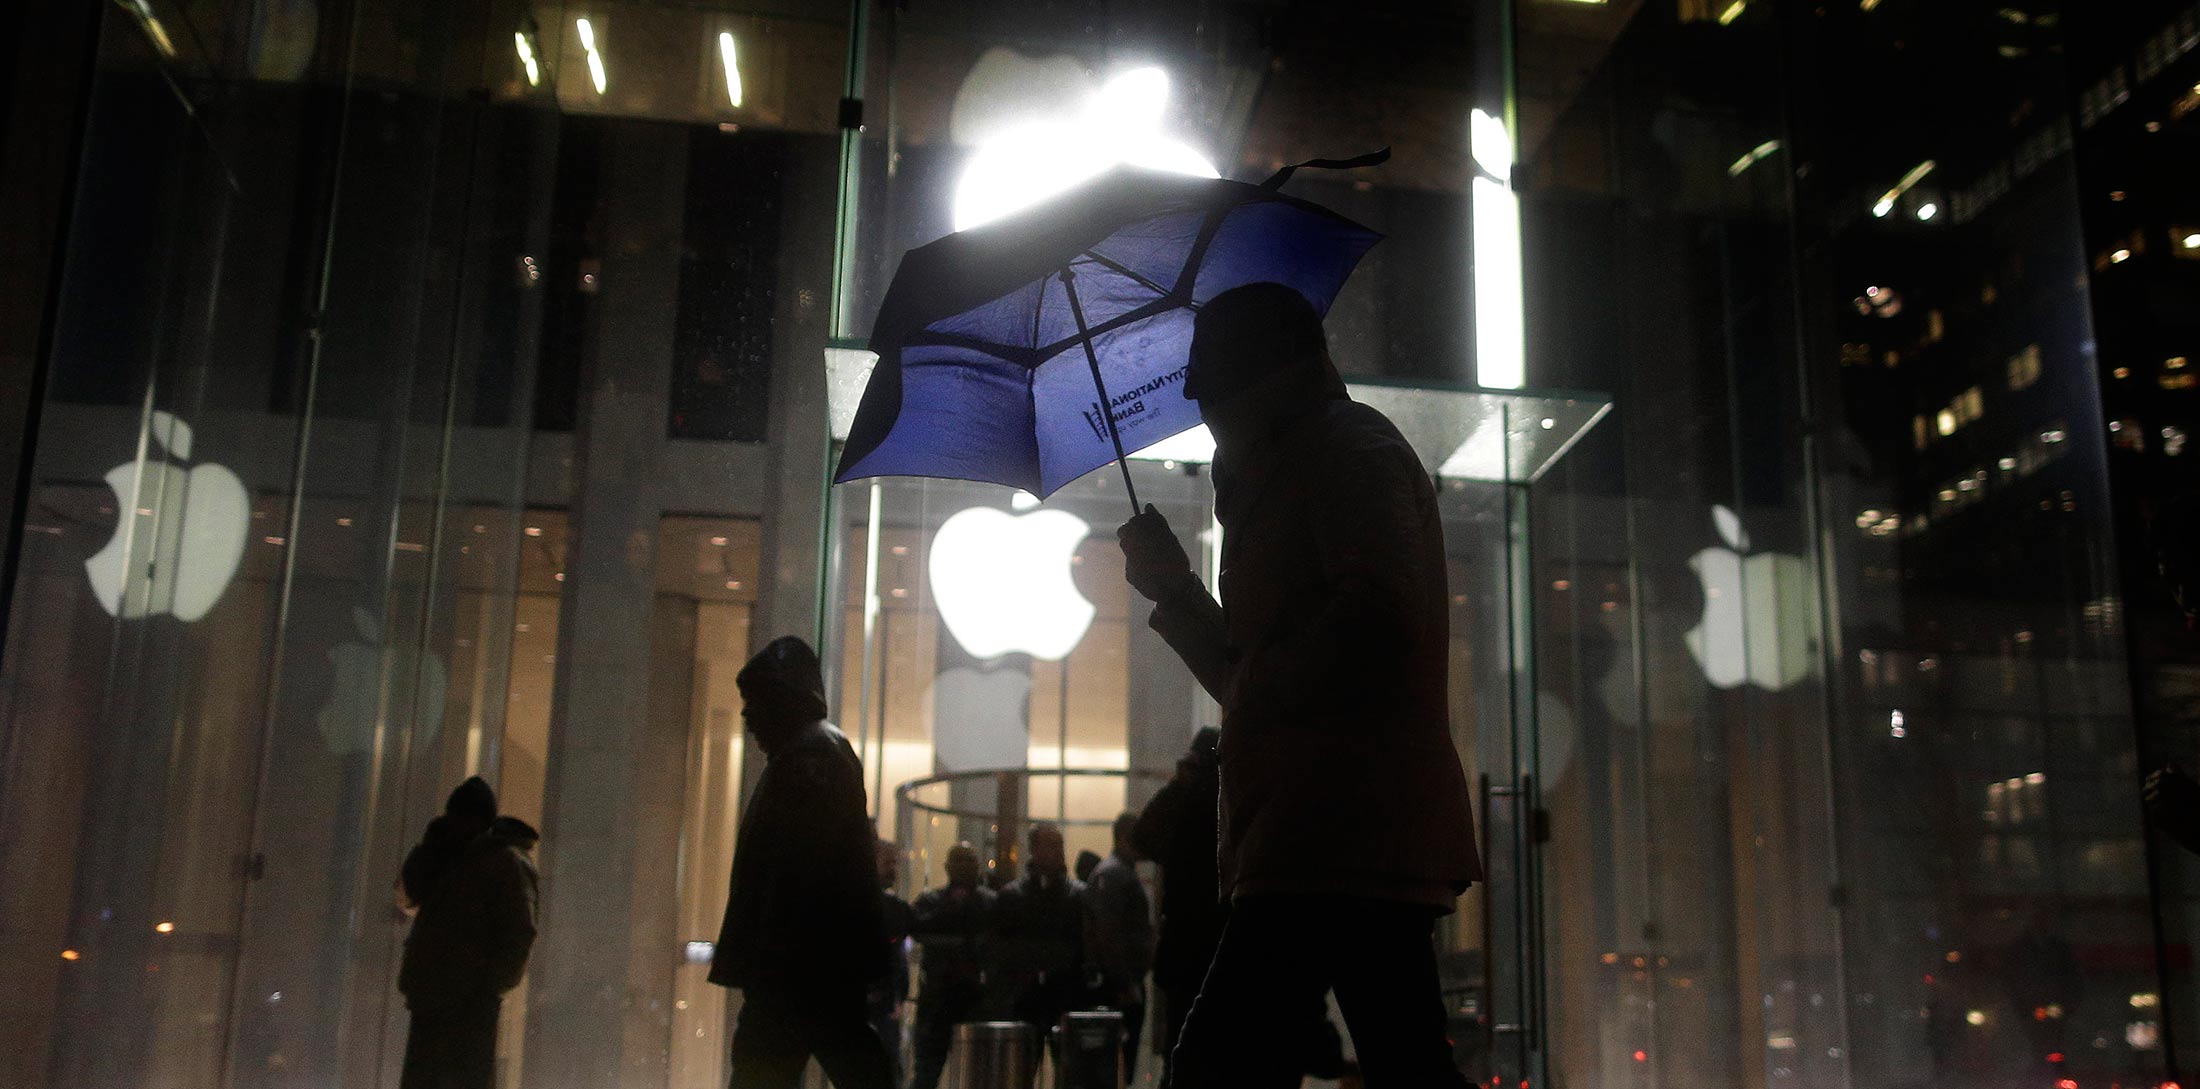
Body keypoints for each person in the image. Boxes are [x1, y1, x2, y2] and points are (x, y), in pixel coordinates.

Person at [1116, 282, 1480, 1088]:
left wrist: (1253, 677)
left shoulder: (1345, 450)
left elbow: (1376, 620)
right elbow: (1252, 676)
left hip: (1334, 828)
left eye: (1204, 370)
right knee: (1402, 1057)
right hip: (1326, 829)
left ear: (1255, 370)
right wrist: (1175, 589)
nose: (1192, 393)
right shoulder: (1301, 462)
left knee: (1221, 1064)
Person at [709, 636, 894, 1089]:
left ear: (783, 699)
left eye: (755, 702)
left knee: (768, 1068)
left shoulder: (810, 756)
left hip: (797, 965)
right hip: (808, 963)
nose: (747, 716)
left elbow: (797, 871)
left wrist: (773, 960)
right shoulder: (811, 754)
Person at [1131, 729, 1351, 1088]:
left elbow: (1143, 838)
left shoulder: (1198, 806)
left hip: (1195, 954)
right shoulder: (1237, 802)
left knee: (1188, 1058)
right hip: (1228, 949)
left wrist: (1180, 783)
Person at [397, 778, 540, 1089]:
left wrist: (485, 987)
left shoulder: (502, 863)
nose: (455, 825)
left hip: (467, 1005)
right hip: (436, 998)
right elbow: (411, 890)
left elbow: (519, 934)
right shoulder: (454, 856)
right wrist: (431, 848)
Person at [988, 823, 1085, 1082]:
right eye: (1051, 845)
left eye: (1058, 846)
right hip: (1030, 999)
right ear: (1034, 850)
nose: (1057, 852)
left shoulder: (1074, 896)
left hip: (1059, 996)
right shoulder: (1015, 897)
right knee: (1022, 1073)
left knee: (1063, 1073)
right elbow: (1000, 951)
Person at [907, 843, 996, 1089]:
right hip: (938, 1000)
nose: (965, 867)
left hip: (973, 998)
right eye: (959, 861)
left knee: (978, 1072)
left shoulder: (989, 903)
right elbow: (918, 928)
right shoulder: (932, 901)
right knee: (927, 1071)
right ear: (947, 867)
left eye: (969, 861)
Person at [1080, 812, 1156, 1081]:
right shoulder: (1116, 875)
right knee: (1115, 1066)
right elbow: (1108, 935)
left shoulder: (1114, 873)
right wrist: (1125, 984)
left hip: (1118, 984)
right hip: (1119, 988)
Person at [870, 840, 916, 1087]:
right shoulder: (891, 909)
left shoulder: (894, 909)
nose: (893, 870)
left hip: (884, 1002)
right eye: (888, 863)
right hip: (877, 1002)